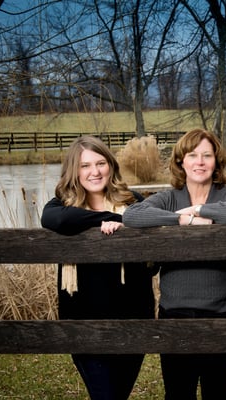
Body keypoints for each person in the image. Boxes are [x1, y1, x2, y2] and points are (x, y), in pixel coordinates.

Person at [122, 128, 226, 400]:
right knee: (178, 393)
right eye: (193, 155)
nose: (200, 162)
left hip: (221, 314)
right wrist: (181, 220)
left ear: (216, 162)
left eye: (207, 155)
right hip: (176, 314)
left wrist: (200, 210)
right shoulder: (170, 198)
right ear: (181, 162)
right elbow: (133, 214)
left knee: (217, 393)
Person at [41, 135, 157, 400]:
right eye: (85, 165)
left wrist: (131, 224)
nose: (94, 171)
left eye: (100, 163)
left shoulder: (132, 201)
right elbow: (53, 220)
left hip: (133, 320)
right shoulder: (62, 205)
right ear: (74, 171)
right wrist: (117, 219)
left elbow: (153, 263)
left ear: (110, 165)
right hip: (83, 323)